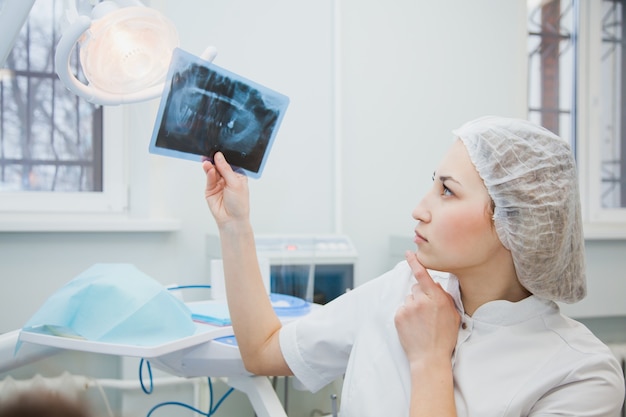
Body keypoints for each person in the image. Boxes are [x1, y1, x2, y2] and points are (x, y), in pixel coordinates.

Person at [202, 115, 625, 416]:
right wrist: (235, 225)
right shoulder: (406, 287)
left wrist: (429, 361)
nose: (419, 209)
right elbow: (262, 352)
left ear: (514, 221)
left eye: (447, 191)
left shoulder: (581, 376)